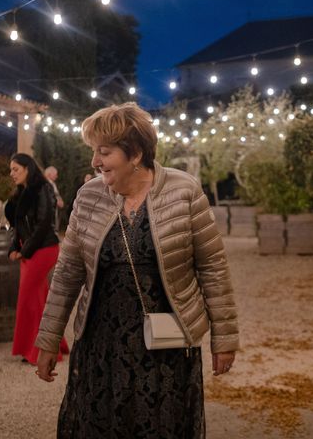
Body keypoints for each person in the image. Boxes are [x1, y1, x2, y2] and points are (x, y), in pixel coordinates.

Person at [35, 102, 240, 438]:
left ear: (135, 153)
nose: (94, 162)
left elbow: (213, 268)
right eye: (94, 152)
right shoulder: (88, 197)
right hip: (101, 344)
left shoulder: (184, 191)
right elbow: (68, 272)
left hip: (166, 345)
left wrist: (224, 339)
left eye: (104, 152)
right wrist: (48, 340)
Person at [4, 153, 69, 365]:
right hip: (30, 248)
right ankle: (54, 345)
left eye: (16, 169)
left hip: (44, 248)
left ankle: (36, 351)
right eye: (11, 169)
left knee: (27, 298)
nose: (11, 173)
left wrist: (25, 251)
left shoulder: (44, 188)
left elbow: (44, 224)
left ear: (28, 169)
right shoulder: (21, 191)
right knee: (38, 298)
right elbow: (17, 225)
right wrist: (15, 246)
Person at [44, 166, 64, 231]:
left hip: (54, 212)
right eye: (55, 174)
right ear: (49, 174)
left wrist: (60, 200)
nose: (57, 176)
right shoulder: (46, 184)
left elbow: (56, 195)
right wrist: (57, 202)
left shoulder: (53, 184)